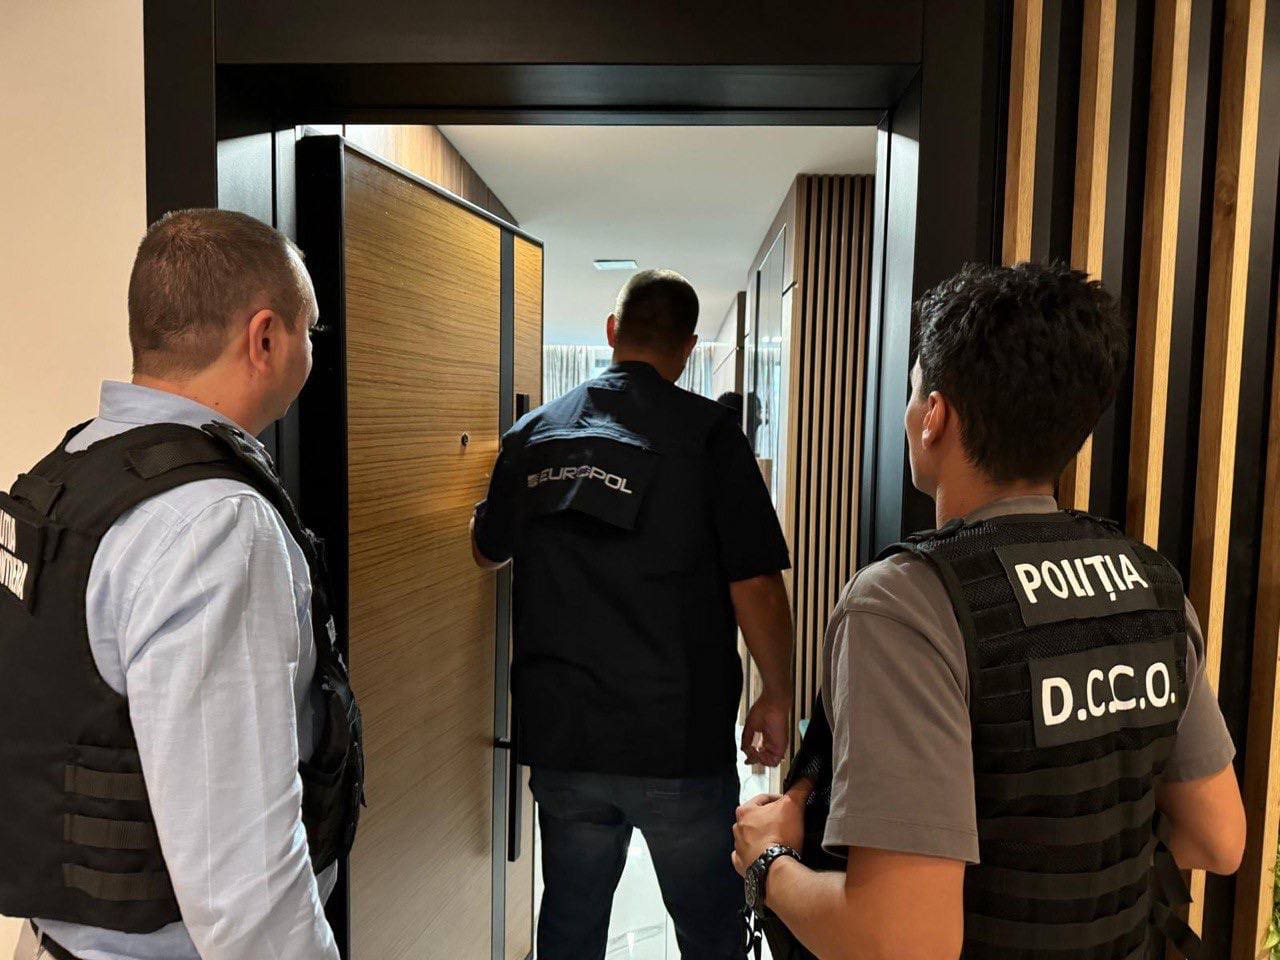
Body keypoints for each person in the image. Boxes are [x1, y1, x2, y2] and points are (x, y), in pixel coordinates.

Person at [731, 262, 1245, 960]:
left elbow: (901, 941)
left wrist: (765, 864)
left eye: (914, 390)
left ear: (935, 417)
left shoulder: (904, 604)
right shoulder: (1152, 586)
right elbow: (1217, 839)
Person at [0, 209, 363, 960]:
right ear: (266, 339)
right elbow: (245, 885)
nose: (312, 350)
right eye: (311, 330)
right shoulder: (215, 524)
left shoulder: (67, 475)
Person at [471, 269, 794, 960]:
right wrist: (777, 691)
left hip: (564, 738)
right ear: (688, 347)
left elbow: (487, 549)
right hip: (675, 738)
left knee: (569, 922)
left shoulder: (531, 435)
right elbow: (756, 580)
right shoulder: (710, 437)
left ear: (612, 331)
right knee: (709, 931)